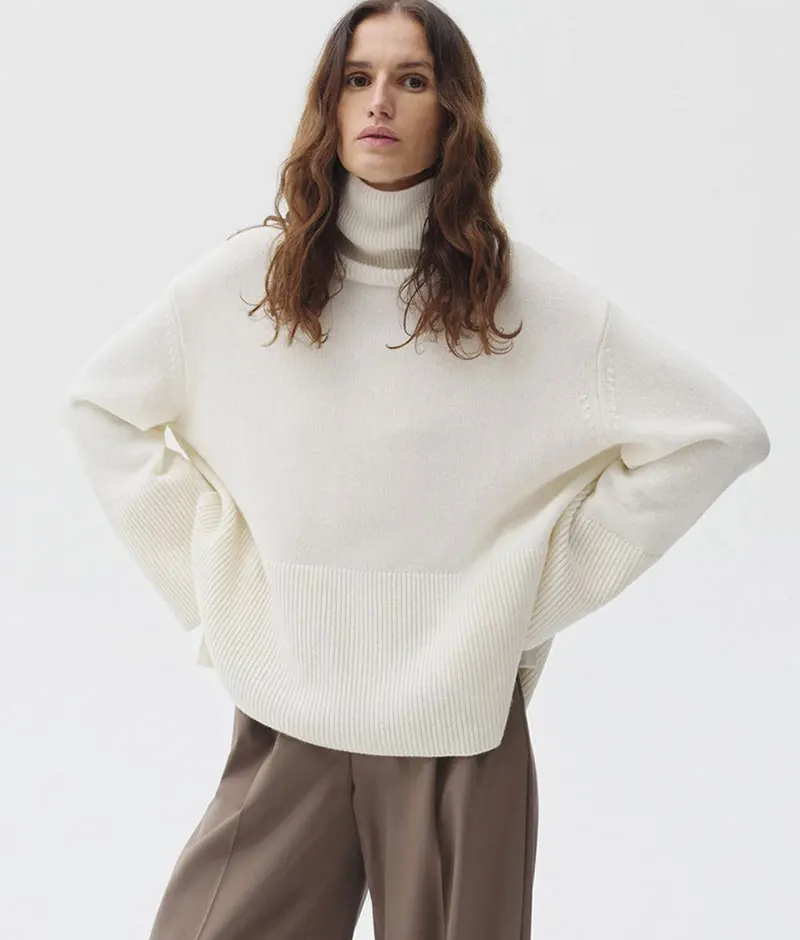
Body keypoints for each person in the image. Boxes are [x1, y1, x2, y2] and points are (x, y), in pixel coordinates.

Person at [58, 1, 771, 938]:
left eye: (412, 79)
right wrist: (216, 587)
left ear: (453, 110)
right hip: (291, 715)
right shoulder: (249, 283)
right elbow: (101, 408)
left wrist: (523, 594)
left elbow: (718, 432)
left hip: (457, 734)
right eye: (357, 78)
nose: (380, 102)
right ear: (329, 102)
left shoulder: (524, 301)